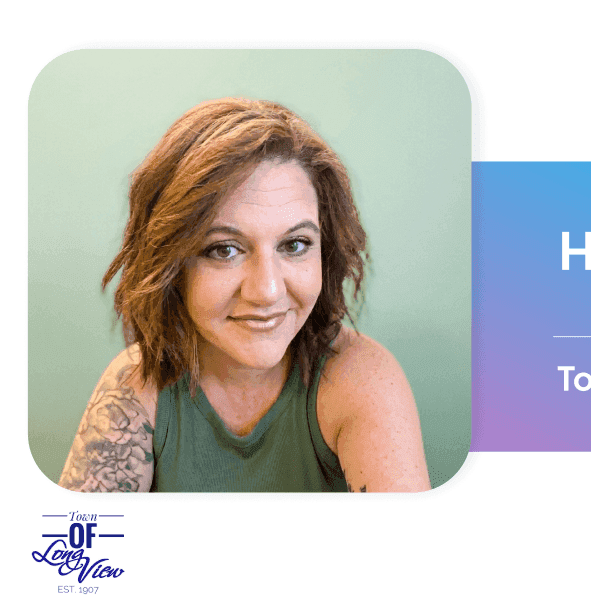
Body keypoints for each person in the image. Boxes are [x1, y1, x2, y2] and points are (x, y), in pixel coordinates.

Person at [59, 98, 430, 492]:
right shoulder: (136, 386)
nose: (268, 291)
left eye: (295, 244)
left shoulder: (363, 379)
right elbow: (75, 549)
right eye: (224, 250)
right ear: (169, 265)